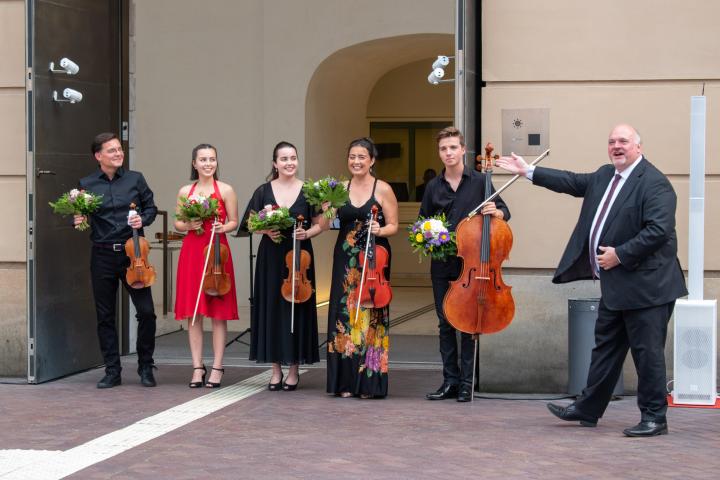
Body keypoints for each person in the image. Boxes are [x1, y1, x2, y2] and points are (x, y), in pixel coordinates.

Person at [496, 124, 687, 436]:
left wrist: (620, 254)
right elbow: (571, 181)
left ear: (638, 146)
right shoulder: (605, 175)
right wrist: (528, 171)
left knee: (647, 354)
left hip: (649, 288)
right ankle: (587, 408)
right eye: (612, 141)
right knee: (605, 350)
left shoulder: (655, 184)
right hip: (617, 285)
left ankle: (654, 418)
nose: (616, 146)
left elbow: (658, 231)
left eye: (623, 141)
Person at [420, 127, 510, 403]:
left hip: (474, 266)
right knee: (445, 323)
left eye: (452, 148)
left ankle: (466, 384)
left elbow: (505, 212)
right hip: (442, 264)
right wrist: (429, 235)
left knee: (470, 323)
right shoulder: (433, 186)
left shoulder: (481, 181)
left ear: (462, 150)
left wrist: (497, 211)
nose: (448, 153)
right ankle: (450, 380)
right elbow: (422, 224)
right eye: (443, 149)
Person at [75, 132, 158, 388]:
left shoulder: (136, 179)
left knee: (146, 313)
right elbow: (83, 216)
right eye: (112, 151)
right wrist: (79, 220)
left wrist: (142, 219)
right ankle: (112, 370)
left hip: (133, 255)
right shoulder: (87, 184)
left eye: (119, 149)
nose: (118, 154)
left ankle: (146, 366)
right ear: (98, 156)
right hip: (101, 255)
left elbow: (151, 208)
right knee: (105, 315)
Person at [242, 141, 327, 391]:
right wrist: (264, 229)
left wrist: (307, 234)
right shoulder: (263, 190)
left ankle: (293, 370)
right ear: (274, 163)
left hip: (299, 256)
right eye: (284, 159)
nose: (289, 163)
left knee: (297, 308)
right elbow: (249, 222)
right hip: (271, 255)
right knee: (272, 309)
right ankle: (276, 369)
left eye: (293, 158)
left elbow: (320, 223)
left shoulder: (309, 190)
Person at [327, 137, 399, 398]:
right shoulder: (339, 189)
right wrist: (325, 210)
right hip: (345, 261)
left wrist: (381, 228)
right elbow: (328, 223)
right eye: (352, 157)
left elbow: (394, 225)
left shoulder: (383, 189)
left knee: (371, 318)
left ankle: (368, 383)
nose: (356, 161)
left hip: (373, 259)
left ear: (372, 161)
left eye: (361, 157)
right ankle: (345, 383)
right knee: (344, 317)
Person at [174, 144, 239, 389]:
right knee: (194, 314)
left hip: (217, 252)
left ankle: (218, 366)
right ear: (194, 163)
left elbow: (233, 221)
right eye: (203, 159)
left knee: (218, 313)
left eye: (212, 159)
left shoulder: (225, 189)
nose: (208, 163)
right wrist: (188, 225)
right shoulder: (184, 191)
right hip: (192, 251)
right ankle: (197, 366)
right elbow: (179, 222)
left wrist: (224, 227)